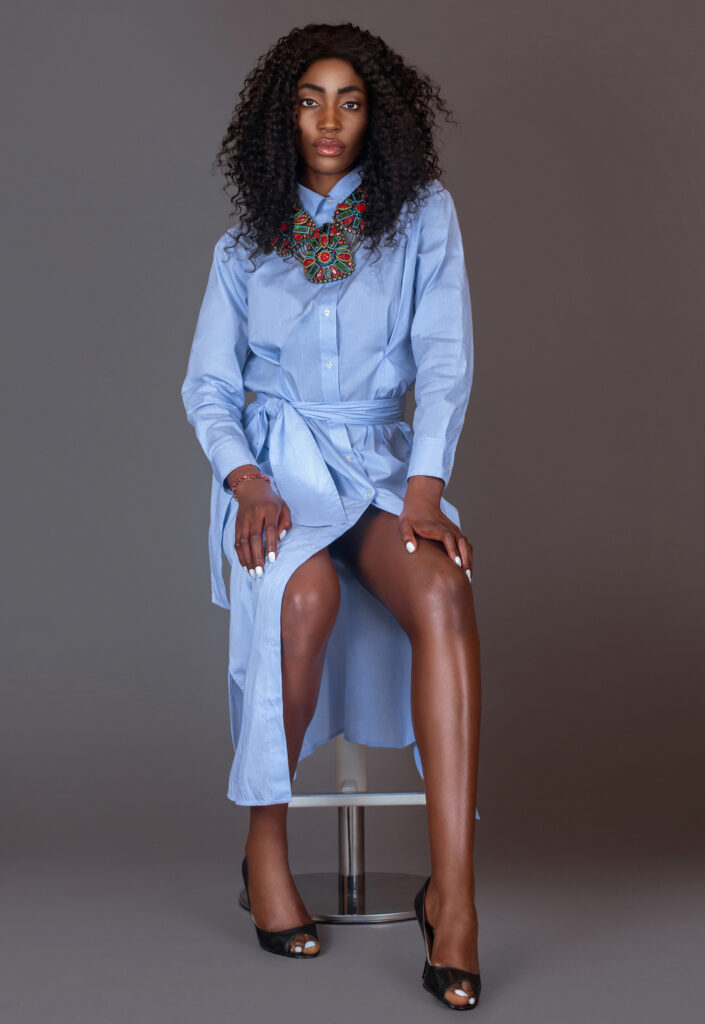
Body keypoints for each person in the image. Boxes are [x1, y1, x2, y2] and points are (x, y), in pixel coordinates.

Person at [181, 22, 482, 1011]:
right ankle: (263, 850)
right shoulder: (242, 244)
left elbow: (442, 354)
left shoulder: (421, 217)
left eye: (351, 100)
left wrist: (429, 483)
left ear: (378, 116)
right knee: (297, 601)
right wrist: (245, 484)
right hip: (279, 477)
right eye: (310, 98)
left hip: (384, 466)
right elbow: (208, 389)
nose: (329, 120)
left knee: (442, 589)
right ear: (282, 116)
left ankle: (457, 894)